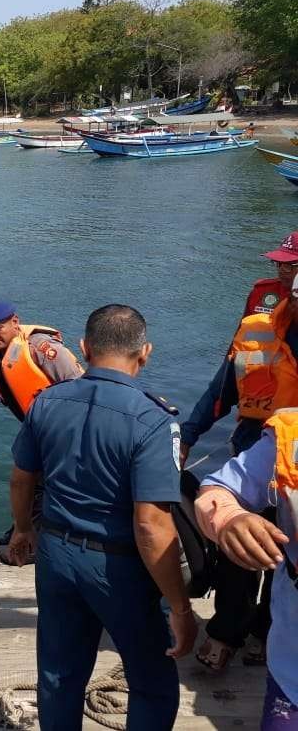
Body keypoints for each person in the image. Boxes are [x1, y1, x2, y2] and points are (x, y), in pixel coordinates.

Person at [8, 304, 196, 729]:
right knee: (150, 679)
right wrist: (181, 607)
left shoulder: (47, 402)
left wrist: (23, 529)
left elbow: (21, 479)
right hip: (120, 567)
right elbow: (151, 524)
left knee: (58, 675)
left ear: (83, 347)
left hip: (55, 556)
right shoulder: (152, 419)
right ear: (144, 352)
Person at [180, 274, 298, 670]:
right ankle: (226, 631)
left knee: (287, 557)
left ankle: (265, 633)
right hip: (254, 460)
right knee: (240, 553)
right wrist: (188, 435)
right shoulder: (256, 334)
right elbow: (221, 392)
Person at [194, 415, 298, 731]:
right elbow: (219, 488)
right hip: (292, 668)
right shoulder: (289, 436)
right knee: (248, 565)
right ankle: (231, 635)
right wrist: (228, 518)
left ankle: (255, 636)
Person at [0, 302, 83, 421]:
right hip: (35, 427)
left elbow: (81, 385)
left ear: (15, 322)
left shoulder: (39, 347)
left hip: (66, 424)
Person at [244, 232, 298, 316]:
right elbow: (244, 327)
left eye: (288, 265)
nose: (281, 270)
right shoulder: (261, 292)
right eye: (278, 263)